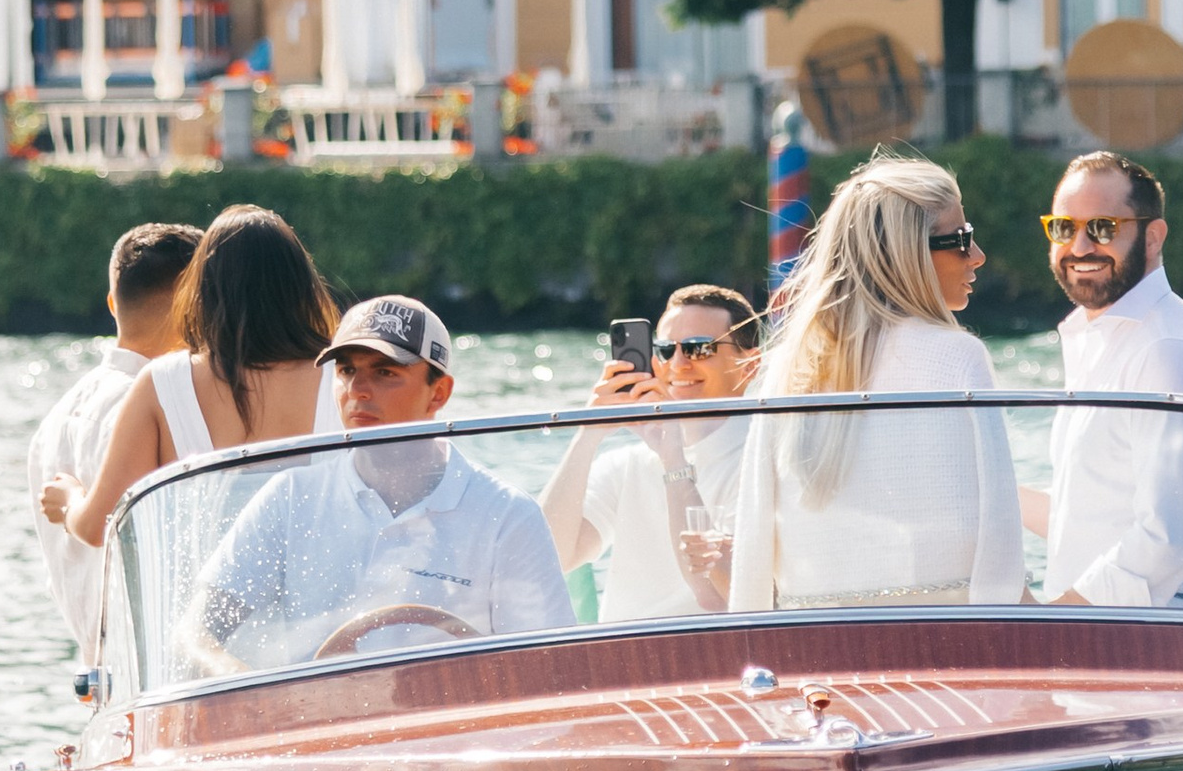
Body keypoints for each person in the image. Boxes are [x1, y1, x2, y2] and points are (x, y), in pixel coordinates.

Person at [192, 293, 576, 672]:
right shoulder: (289, 498)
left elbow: (550, 669)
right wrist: (243, 685)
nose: (357, 390)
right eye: (345, 371)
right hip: (314, 727)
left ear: (438, 393)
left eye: (384, 372)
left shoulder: (507, 517)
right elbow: (196, 633)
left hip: (455, 730)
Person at [725, 154, 1024, 611]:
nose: (978, 255)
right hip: (943, 648)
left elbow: (754, 539)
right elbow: (998, 542)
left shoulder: (786, 366)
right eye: (961, 240)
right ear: (907, 253)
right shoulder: (959, 359)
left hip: (813, 651)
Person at [40, 203, 341, 563]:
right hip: (329, 612)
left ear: (205, 289)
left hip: (208, 615)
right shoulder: (344, 375)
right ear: (302, 285)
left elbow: (101, 525)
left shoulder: (164, 382)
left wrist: (70, 499)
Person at [1033, 151, 1183, 608]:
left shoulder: (1165, 349)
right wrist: (977, 497)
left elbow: (1170, 537)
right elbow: (1092, 512)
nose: (1081, 247)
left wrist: (1052, 617)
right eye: (1064, 228)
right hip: (1118, 629)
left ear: (1153, 237)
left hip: (1169, 632)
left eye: (1104, 228)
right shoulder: (1104, 339)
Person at [26, 221, 202, 659]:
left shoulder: (54, 420)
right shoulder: (163, 405)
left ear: (112, 303)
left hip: (102, 673)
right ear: (194, 304)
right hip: (165, 667)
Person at [540, 283, 759, 622]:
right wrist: (589, 433)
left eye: (698, 349)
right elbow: (548, 559)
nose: (678, 364)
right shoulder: (625, 465)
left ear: (749, 365)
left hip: (718, 660)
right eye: (665, 350)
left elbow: (722, 598)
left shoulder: (767, 462)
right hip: (623, 662)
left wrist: (673, 458)